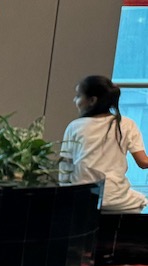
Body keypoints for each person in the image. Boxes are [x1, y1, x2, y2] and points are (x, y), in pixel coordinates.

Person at [60, 74, 148, 213]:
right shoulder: (126, 124)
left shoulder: (75, 127)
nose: (75, 100)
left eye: (78, 96)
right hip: (119, 203)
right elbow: (143, 162)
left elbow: (65, 169)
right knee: (140, 199)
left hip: (83, 199)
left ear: (92, 100)